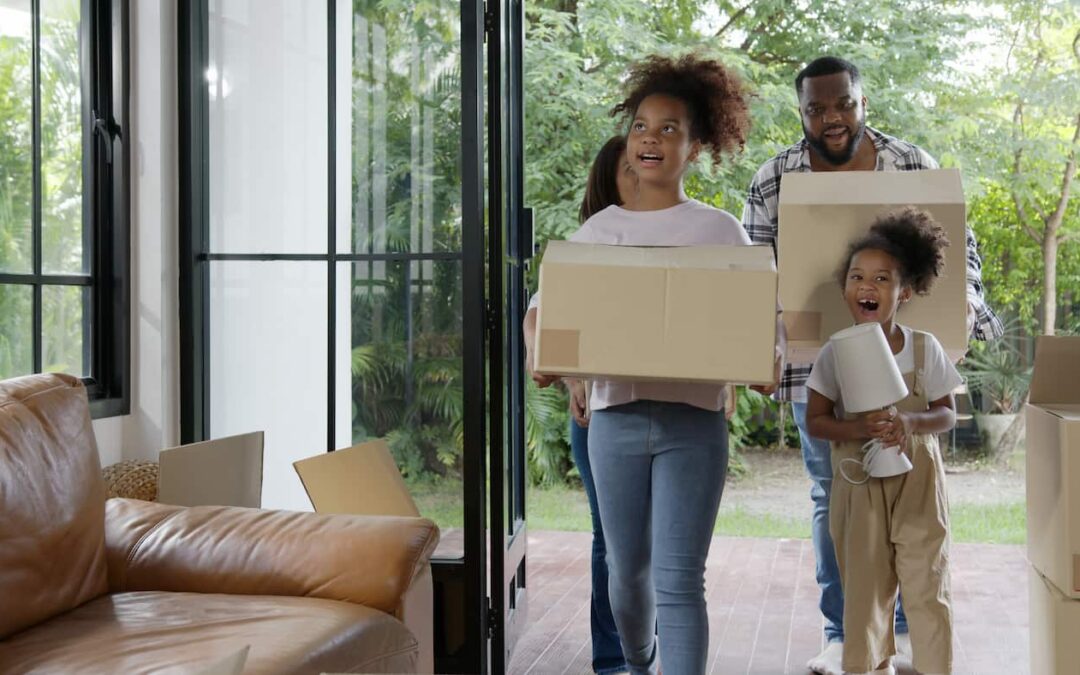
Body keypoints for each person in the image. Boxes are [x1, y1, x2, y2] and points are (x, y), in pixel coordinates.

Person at [740, 55, 1002, 675]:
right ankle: (844, 633)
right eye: (816, 109)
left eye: (843, 105)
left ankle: (907, 633)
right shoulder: (774, 177)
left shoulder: (913, 164)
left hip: (908, 367)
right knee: (836, 495)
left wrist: (965, 302)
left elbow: (962, 255)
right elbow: (755, 277)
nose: (831, 119)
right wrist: (762, 345)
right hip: (819, 370)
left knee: (911, 503)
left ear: (863, 103)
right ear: (800, 112)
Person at [524, 54, 781, 674]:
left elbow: (760, 325)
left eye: (671, 129)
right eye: (642, 125)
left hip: (694, 424)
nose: (652, 139)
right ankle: (639, 663)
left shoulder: (721, 232)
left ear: (695, 148)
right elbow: (541, 314)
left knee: (679, 581)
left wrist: (764, 363)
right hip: (615, 421)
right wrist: (553, 361)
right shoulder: (599, 232)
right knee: (624, 576)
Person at [805, 207, 960, 675]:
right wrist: (860, 429)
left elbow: (947, 413)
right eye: (857, 277)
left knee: (926, 583)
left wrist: (910, 423)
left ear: (905, 292)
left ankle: (937, 667)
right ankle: (871, 666)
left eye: (882, 279)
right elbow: (816, 421)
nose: (867, 286)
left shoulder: (923, 347)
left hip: (918, 485)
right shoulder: (835, 352)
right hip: (859, 485)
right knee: (865, 590)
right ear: (846, 289)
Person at [570, 134, 638, 675]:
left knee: (657, 547)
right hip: (601, 410)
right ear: (607, 180)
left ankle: (652, 648)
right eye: (629, 171)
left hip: (671, 414)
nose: (642, 177)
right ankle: (612, 658)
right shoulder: (591, 240)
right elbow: (556, 320)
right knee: (610, 540)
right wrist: (574, 373)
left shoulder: (690, 237)